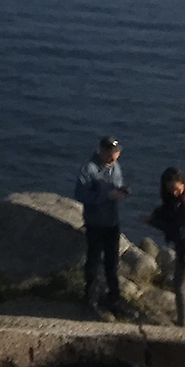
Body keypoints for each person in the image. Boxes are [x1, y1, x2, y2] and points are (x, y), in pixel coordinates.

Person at [74, 135, 130, 318]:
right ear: (102, 151)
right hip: (95, 222)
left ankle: (114, 298)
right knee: (94, 261)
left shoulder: (115, 167)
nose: (114, 157)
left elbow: (117, 184)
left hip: (112, 222)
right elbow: (81, 195)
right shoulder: (89, 170)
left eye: (117, 153)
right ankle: (91, 298)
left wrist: (122, 191)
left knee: (112, 262)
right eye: (111, 153)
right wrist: (107, 196)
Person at [146, 168, 185, 329]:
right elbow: (169, 212)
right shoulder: (183, 199)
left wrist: (154, 222)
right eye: (170, 189)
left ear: (183, 184)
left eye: (176, 189)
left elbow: (180, 233)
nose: (173, 192)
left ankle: (183, 325)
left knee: (180, 287)